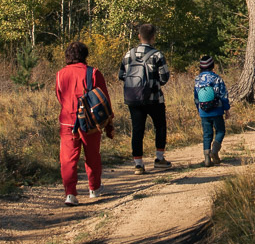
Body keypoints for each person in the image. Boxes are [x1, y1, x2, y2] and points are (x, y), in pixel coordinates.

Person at [55, 41, 115, 205]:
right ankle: (94, 188)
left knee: (68, 159)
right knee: (93, 155)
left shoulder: (60, 74)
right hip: (90, 122)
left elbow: (60, 97)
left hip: (67, 121)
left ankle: (70, 194)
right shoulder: (94, 73)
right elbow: (104, 100)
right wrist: (109, 123)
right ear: (85, 55)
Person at [119, 22, 172, 174]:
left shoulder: (129, 54)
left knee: (137, 130)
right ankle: (159, 158)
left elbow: (121, 75)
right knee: (160, 126)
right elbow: (164, 77)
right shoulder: (157, 55)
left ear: (139, 36)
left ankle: (138, 164)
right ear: (153, 37)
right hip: (154, 98)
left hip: (133, 99)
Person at [193, 55, 230, 166]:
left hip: (203, 111)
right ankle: (215, 150)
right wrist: (226, 109)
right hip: (217, 110)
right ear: (212, 66)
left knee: (207, 134)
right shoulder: (217, 78)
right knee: (220, 131)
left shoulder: (197, 80)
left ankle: (207, 158)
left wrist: (198, 108)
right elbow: (223, 95)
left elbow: (196, 97)